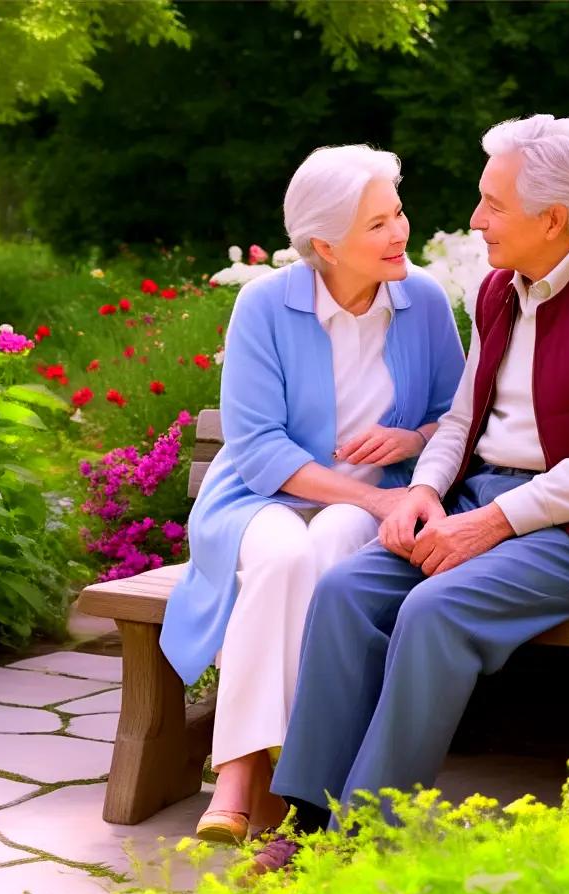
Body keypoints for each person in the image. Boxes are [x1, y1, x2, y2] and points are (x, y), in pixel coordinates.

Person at [257, 114, 569, 873]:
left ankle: (369, 844)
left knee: (435, 609)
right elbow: (461, 418)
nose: (475, 218)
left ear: (552, 218)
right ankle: (308, 819)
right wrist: (426, 492)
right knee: (348, 589)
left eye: (492, 203)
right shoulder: (500, 290)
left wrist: (490, 522)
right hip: (491, 502)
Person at [159, 145, 465, 844]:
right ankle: (248, 776)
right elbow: (258, 448)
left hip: (372, 501)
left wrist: (410, 445)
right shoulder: (265, 304)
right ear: (324, 244)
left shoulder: (422, 302)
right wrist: (370, 502)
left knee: (327, 552)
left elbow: (455, 414)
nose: (399, 235)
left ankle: (266, 784)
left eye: (398, 215)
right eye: (377, 225)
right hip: (257, 498)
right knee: (283, 558)